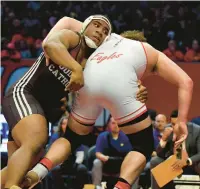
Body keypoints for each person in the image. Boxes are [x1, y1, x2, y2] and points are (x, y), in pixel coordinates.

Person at [26, 22, 193, 189]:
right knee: (143, 145)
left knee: (70, 138)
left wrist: (46, 48)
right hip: (120, 85)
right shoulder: (146, 49)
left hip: (89, 79)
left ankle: (38, 171)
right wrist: (182, 122)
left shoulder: (106, 39)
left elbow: (67, 21)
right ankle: (120, 187)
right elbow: (186, 82)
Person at [1, 14, 112, 189]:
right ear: (84, 27)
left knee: (24, 166)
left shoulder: (92, 65)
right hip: (23, 94)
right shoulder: (73, 38)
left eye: (105, 31)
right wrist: (75, 68)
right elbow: (50, 44)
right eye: (96, 25)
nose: (100, 31)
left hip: (41, 111)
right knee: (36, 139)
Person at [150, 110, 200, 189]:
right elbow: (160, 154)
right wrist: (163, 139)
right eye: (173, 124)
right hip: (174, 159)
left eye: (178, 124)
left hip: (191, 160)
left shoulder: (197, 130)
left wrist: (186, 161)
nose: (175, 127)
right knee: (155, 161)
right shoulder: (168, 129)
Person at [92, 116, 132, 189]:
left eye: (118, 123)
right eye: (113, 123)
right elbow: (98, 153)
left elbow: (130, 154)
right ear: (109, 124)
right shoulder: (102, 136)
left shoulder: (125, 137)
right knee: (96, 162)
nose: (116, 125)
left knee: (132, 165)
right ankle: (97, 186)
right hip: (106, 163)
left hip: (121, 165)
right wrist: (106, 158)